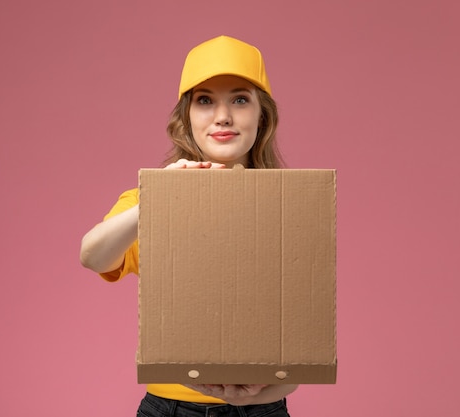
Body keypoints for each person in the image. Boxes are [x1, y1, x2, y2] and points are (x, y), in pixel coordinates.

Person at [80, 35, 298, 417]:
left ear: (262, 114)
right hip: (171, 409)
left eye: (240, 99)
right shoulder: (146, 202)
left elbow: (302, 338)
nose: (223, 115)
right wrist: (158, 198)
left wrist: (252, 395)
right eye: (205, 100)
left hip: (264, 411)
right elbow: (94, 257)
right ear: (187, 118)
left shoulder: (290, 208)